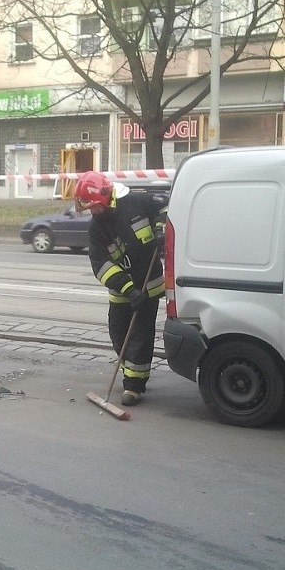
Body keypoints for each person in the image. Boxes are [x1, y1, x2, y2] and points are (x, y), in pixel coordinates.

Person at [75, 171, 169, 406]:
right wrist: (128, 290)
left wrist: (161, 230)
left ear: (105, 195)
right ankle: (129, 371)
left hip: (148, 285)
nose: (93, 212)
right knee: (118, 334)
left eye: (94, 206)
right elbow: (101, 264)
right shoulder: (97, 228)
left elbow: (165, 207)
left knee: (140, 335)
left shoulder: (136, 201)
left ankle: (134, 386)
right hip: (123, 290)